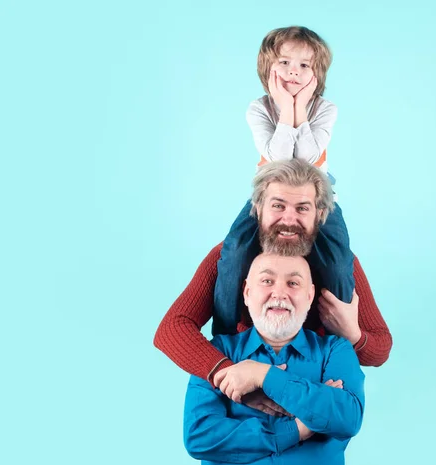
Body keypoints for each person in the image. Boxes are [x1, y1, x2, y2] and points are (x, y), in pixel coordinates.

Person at [154, 159, 392, 400]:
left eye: (302, 208)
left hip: (310, 390)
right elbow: (171, 329)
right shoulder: (224, 258)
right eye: (278, 206)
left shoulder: (341, 265)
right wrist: (232, 374)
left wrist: (353, 334)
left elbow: (380, 350)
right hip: (239, 389)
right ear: (258, 208)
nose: (289, 220)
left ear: (319, 214)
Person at [214, 26, 353, 335]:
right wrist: (284, 107)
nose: (294, 72)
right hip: (270, 195)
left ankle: (336, 338)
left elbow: (306, 160)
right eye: (285, 62)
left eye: (305, 65)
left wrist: (299, 108)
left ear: (316, 73)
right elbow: (278, 160)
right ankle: (225, 335)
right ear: (268, 67)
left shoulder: (325, 109)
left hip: (316, 196)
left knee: (339, 262)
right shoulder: (258, 109)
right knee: (234, 250)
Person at [183, 253, 365, 464]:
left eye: (293, 283)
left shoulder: (336, 350)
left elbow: (347, 418)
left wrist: (262, 375)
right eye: (267, 281)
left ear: (309, 296)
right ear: (247, 293)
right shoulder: (218, 351)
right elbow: (199, 437)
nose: (279, 293)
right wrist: (296, 429)